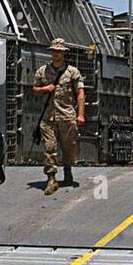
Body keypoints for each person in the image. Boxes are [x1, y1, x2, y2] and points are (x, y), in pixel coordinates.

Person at [33, 38, 85, 196]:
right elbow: (34, 89)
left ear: (64, 53)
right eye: (54, 51)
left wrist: (81, 114)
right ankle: (51, 178)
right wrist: (44, 88)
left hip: (66, 115)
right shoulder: (43, 71)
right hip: (48, 116)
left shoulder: (72, 72)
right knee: (50, 147)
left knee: (69, 147)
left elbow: (80, 93)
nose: (56, 53)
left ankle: (68, 169)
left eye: (59, 51)